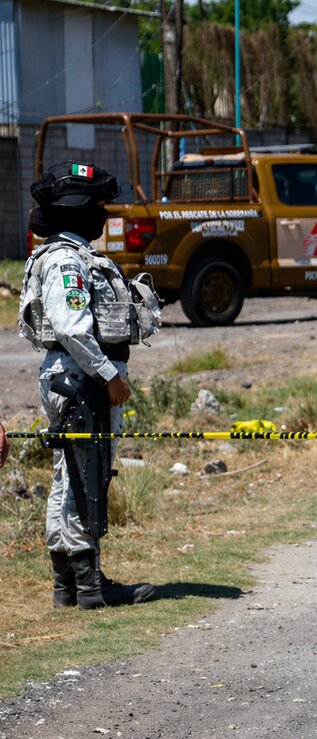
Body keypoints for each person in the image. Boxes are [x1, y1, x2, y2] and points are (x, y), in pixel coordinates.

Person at [19, 161, 160, 610]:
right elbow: (73, 328)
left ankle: (69, 584)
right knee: (87, 477)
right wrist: (110, 376)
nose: (104, 213)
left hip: (70, 377)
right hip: (81, 379)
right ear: (80, 212)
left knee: (69, 477)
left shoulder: (67, 254)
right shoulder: (65, 260)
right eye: (98, 206)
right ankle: (92, 586)